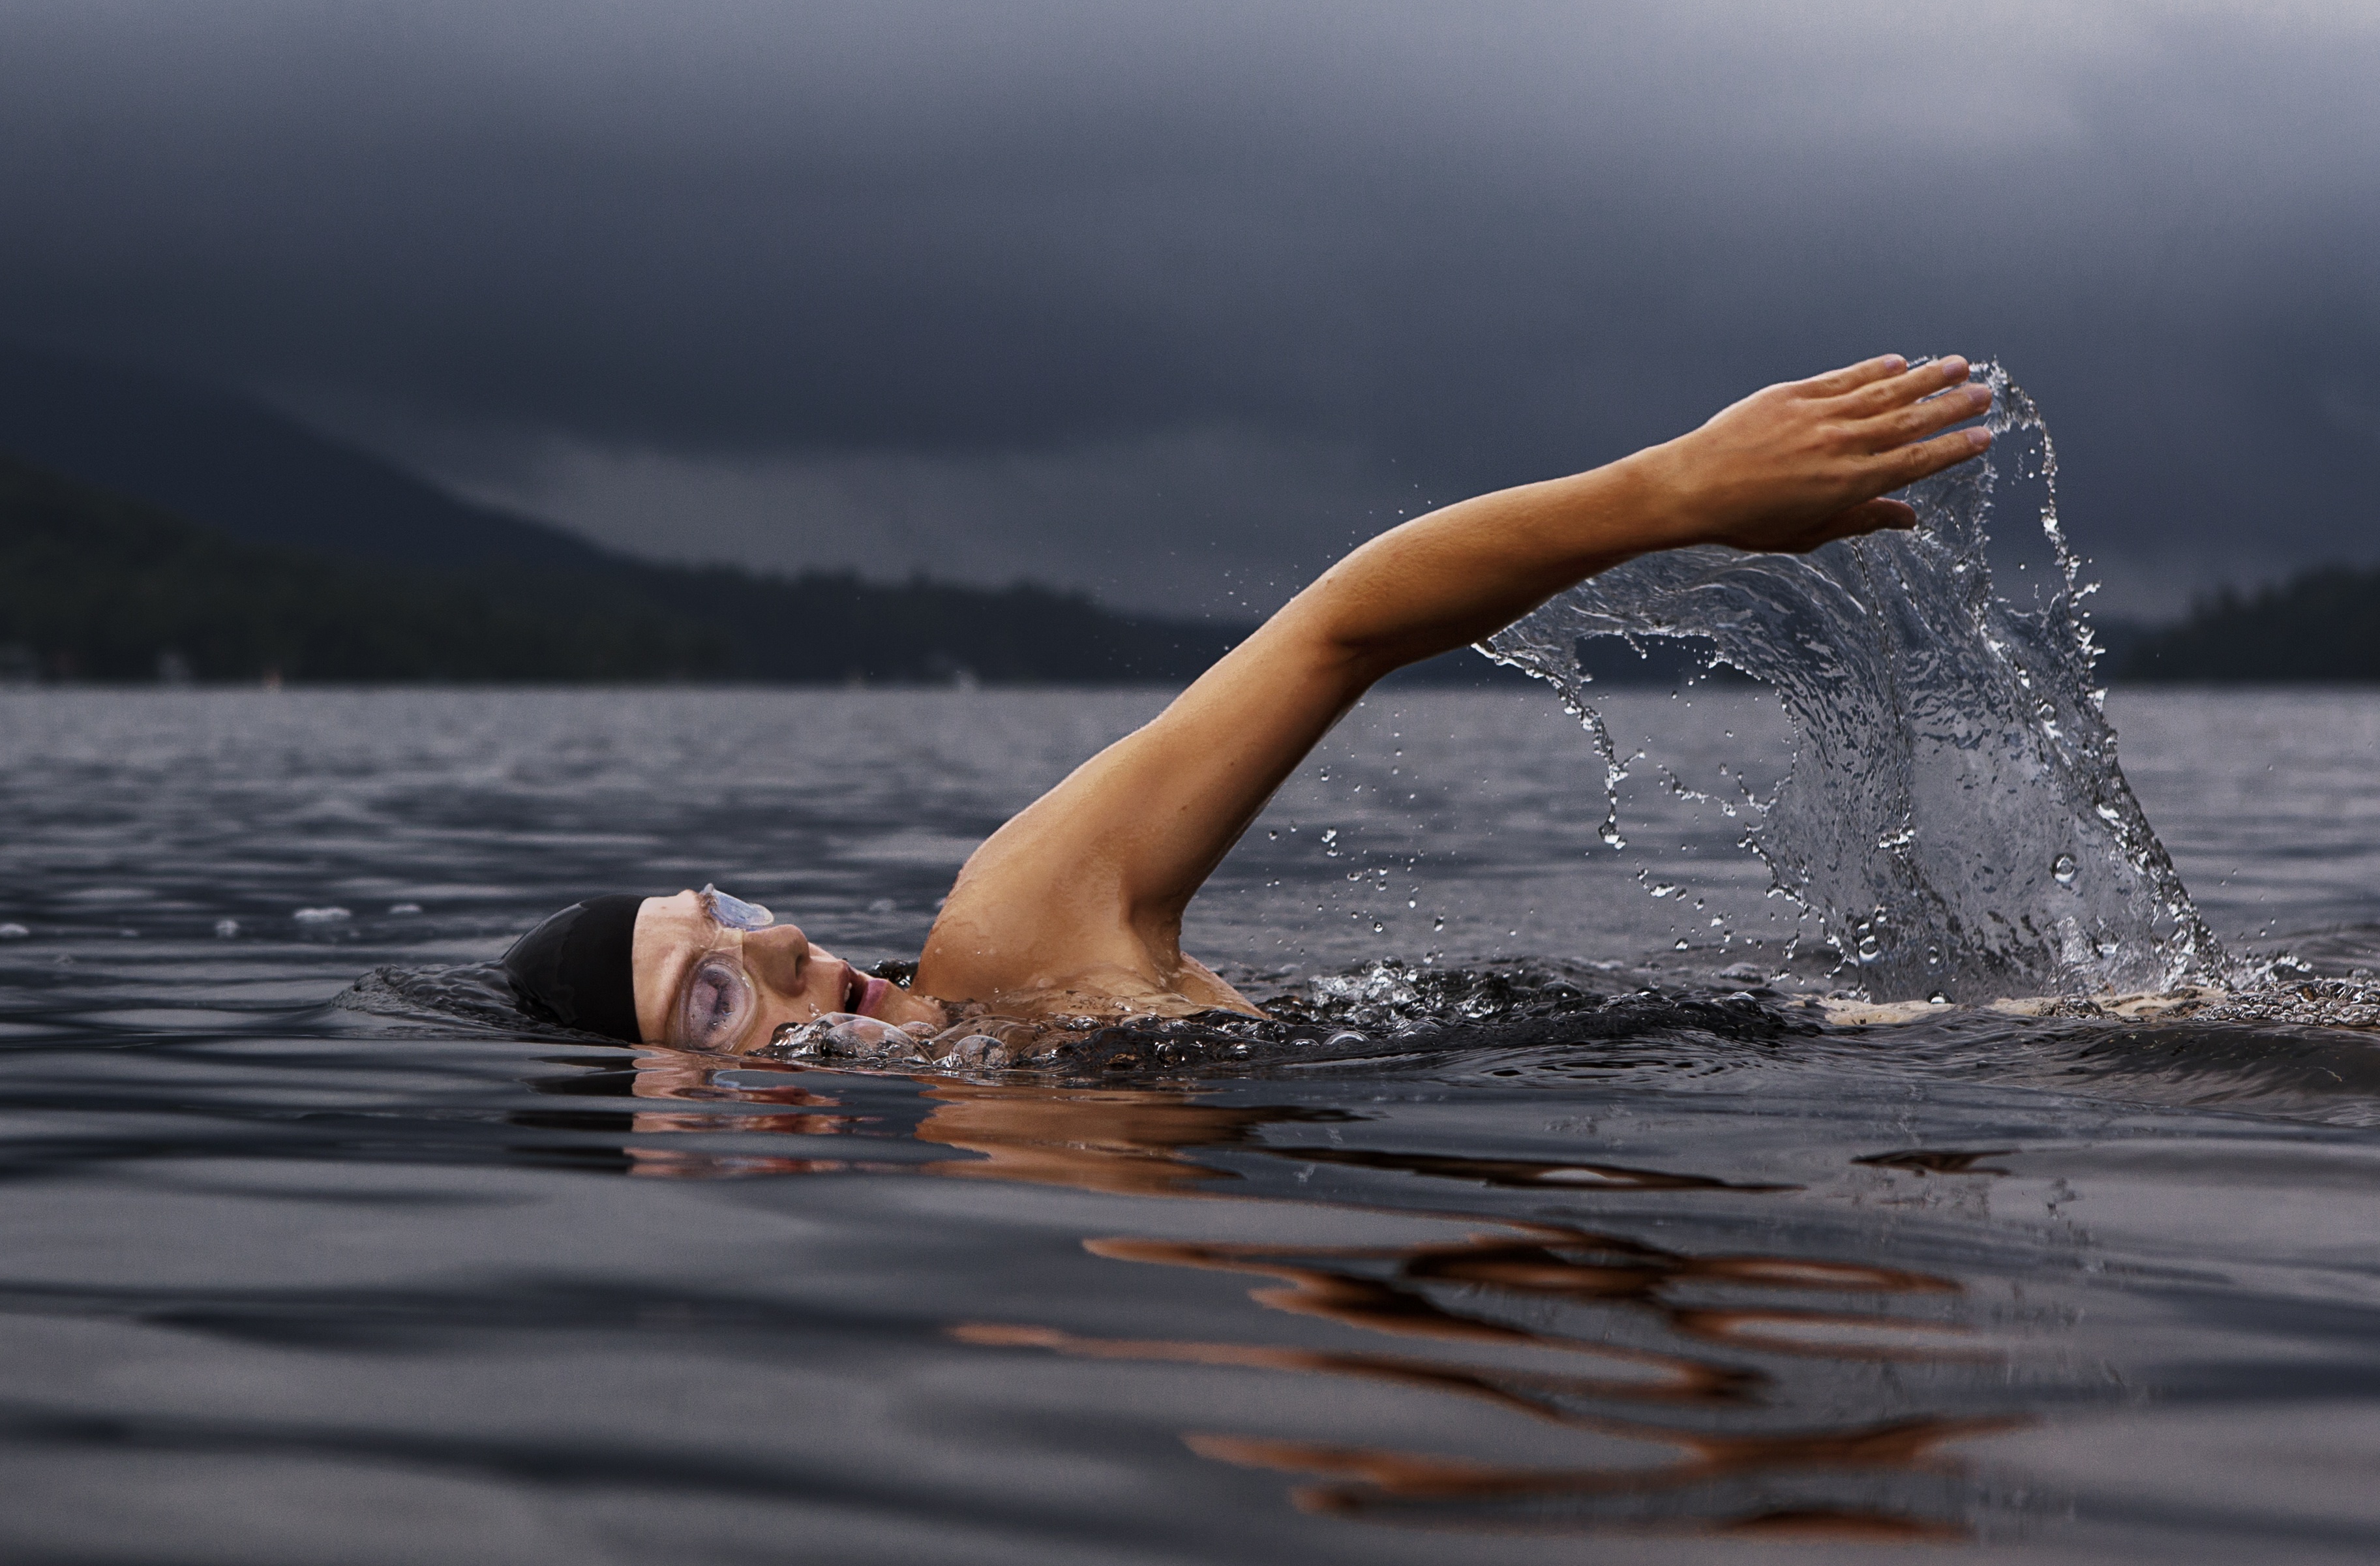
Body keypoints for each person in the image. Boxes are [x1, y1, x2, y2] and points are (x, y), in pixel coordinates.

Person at [502, 354, 1998, 1055]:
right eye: (711, 993)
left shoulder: (1014, 943)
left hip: (1898, 1051)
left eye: (731, 911)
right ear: (670, 1134)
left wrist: (1671, 494)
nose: (775, 941)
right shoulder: (997, 1212)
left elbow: (1336, 630)